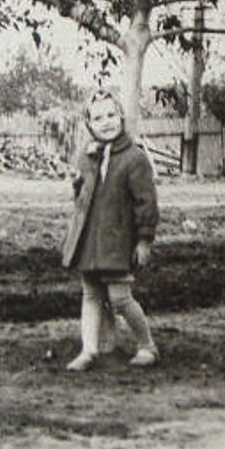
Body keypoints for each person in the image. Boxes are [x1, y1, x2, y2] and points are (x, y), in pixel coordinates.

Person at [59, 91, 159, 371]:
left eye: (111, 115)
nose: (106, 122)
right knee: (90, 294)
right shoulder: (87, 156)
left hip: (118, 240)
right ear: (89, 124)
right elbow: (81, 200)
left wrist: (144, 240)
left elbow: (146, 203)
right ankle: (89, 350)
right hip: (90, 240)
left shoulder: (134, 158)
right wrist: (78, 184)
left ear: (122, 117)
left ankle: (147, 344)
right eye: (98, 117)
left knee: (120, 297)